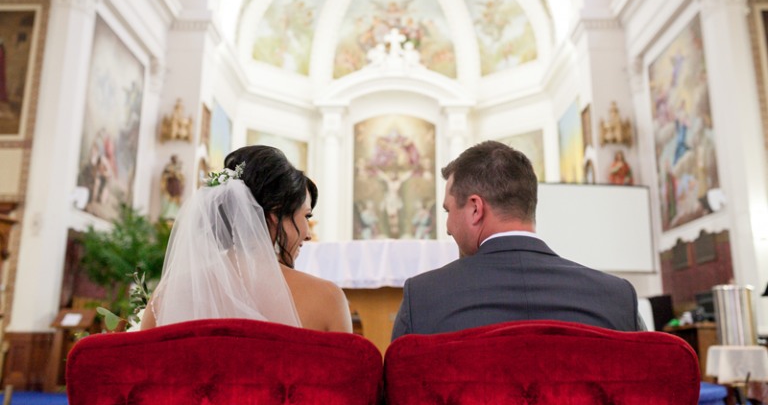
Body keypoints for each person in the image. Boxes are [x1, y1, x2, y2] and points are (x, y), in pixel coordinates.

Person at [391, 141, 644, 341]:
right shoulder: (618, 298)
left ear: (475, 209)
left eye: (448, 211)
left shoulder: (423, 299)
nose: (447, 228)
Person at [142, 145, 352, 333]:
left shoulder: (165, 297)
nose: (308, 233)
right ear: (275, 215)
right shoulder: (326, 299)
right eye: (306, 216)